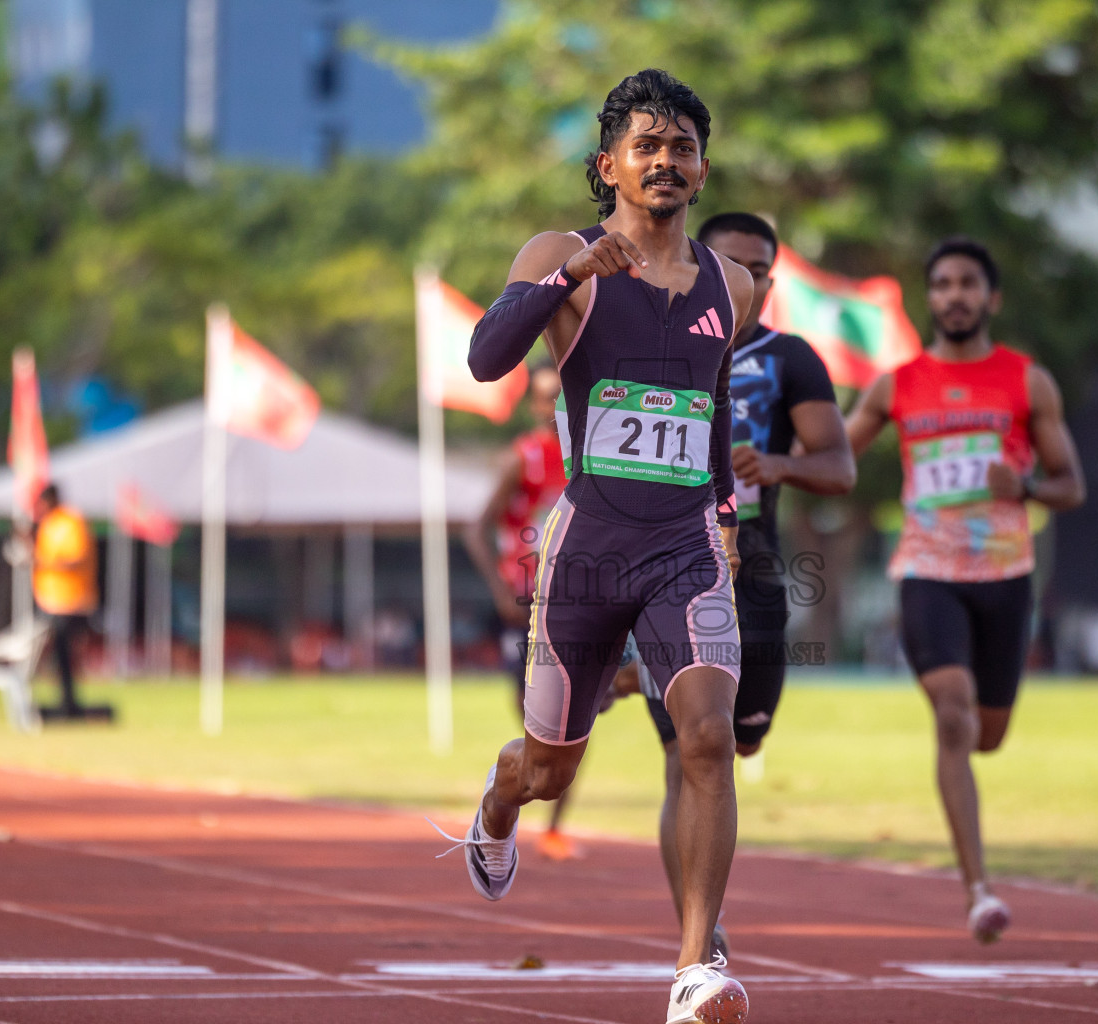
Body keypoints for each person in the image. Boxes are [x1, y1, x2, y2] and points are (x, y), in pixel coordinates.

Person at [441, 69, 754, 1024]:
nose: (667, 161)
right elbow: (487, 357)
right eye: (647, 146)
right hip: (588, 548)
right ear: (609, 164)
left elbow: (707, 411)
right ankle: (497, 808)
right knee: (550, 770)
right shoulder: (556, 250)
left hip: (685, 542)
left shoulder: (729, 284)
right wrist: (568, 278)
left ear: (702, 170)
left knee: (706, 737)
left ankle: (694, 967)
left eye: (683, 148)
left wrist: (728, 516)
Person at [845, 237, 1085, 944]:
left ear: (991, 297)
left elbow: (1072, 484)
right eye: (943, 284)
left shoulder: (1026, 381)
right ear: (932, 298)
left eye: (968, 284)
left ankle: (972, 825)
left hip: (1007, 577)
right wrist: (764, 457)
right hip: (928, 572)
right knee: (952, 714)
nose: (954, 295)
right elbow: (832, 451)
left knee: (988, 732)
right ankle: (978, 888)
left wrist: (1031, 486)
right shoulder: (897, 384)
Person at [636, 212, 854, 959]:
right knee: (691, 750)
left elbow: (840, 468)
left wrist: (780, 465)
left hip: (753, 573)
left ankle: (700, 924)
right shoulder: (651, 339)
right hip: (661, 569)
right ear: (700, 262)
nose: (748, 281)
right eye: (733, 263)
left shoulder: (790, 358)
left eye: (761, 270)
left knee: (736, 741)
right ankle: (698, 938)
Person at [462, 363, 581, 861]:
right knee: (538, 721)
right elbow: (476, 526)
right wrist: (497, 588)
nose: (553, 408)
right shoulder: (525, 458)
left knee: (581, 716)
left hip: (582, 597)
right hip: (528, 598)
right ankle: (509, 788)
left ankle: (553, 826)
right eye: (544, 399)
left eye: (562, 396)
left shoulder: (589, 456)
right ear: (533, 405)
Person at [30, 483, 100, 718]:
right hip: (50, 601)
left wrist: (44, 563)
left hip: (72, 601)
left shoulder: (71, 522)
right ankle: (64, 703)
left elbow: (76, 558)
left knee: (65, 653)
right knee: (54, 655)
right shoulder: (47, 525)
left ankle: (69, 704)